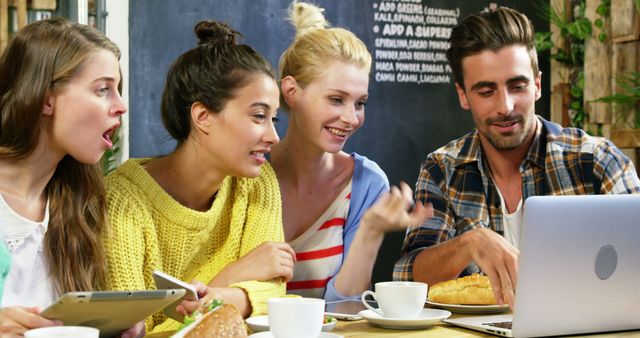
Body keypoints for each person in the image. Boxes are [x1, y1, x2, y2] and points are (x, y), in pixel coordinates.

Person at [393, 7, 640, 309]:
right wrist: (471, 243)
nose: (505, 106)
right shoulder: (442, 169)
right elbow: (407, 277)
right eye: (486, 91)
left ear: (537, 84)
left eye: (517, 86)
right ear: (462, 95)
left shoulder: (597, 161)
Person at [102, 20, 293, 334]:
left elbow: (274, 292)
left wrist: (215, 298)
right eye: (259, 116)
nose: (274, 136)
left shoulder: (257, 184)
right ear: (203, 117)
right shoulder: (122, 201)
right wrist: (233, 277)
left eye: (273, 119)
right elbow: (136, 332)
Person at [269, 2, 432, 301]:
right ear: (291, 92)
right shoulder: (245, 171)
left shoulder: (366, 183)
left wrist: (370, 232)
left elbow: (347, 312)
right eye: (336, 99)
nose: (352, 118)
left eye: (360, 103)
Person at [0, 18, 127, 336]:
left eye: (118, 91)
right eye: (102, 90)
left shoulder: (78, 201)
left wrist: (109, 325)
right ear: (46, 98)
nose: (121, 106)